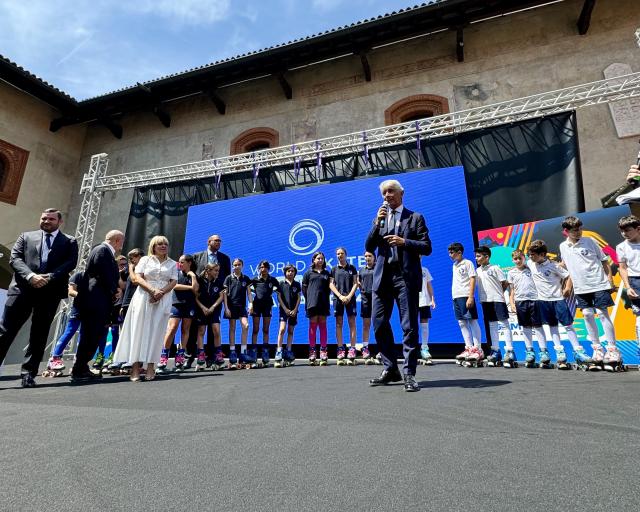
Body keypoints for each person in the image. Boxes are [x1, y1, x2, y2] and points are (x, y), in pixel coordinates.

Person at [365, 179, 432, 392]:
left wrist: (405, 242)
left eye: (391, 192)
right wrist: (377, 223)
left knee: (409, 325)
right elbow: (369, 245)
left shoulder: (415, 218)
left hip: (405, 278)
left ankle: (409, 373)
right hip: (383, 278)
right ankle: (390, 368)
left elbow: (427, 247)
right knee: (379, 322)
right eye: (384, 193)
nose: (387, 196)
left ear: (401, 193)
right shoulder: (380, 218)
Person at [0, 209, 78, 387]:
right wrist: (31, 276)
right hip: (22, 290)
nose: (47, 221)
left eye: (51, 219)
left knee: (39, 334)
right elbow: (15, 259)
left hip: (49, 293)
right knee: (5, 331)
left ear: (59, 222)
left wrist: (49, 277)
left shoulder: (69, 241)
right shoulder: (26, 237)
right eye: (44, 218)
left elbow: (70, 263)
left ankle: (28, 374)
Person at [113, 236, 178, 382]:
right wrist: (152, 290)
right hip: (143, 297)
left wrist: (160, 293)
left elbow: (174, 281)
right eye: (159, 244)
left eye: (165, 244)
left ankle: (151, 367)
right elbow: (137, 278)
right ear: (153, 246)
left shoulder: (173, 263)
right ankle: (135, 367)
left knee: (157, 333)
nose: (163, 246)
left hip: (163, 299)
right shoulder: (144, 260)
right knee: (139, 331)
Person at [559, 216, 620, 370]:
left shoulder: (590, 241)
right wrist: (567, 286)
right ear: (566, 231)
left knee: (602, 314)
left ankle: (612, 350)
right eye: (574, 230)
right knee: (587, 314)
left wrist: (610, 281)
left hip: (598, 283)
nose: (578, 232)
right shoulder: (563, 247)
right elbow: (568, 266)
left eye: (580, 228)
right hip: (580, 287)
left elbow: (605, 261)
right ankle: (597, 349)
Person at [527, 239, 591, 369]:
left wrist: (567, 289)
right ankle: (559, 352)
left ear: (542, 254)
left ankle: (578, 351)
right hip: (543, 301)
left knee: (568, 325)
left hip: (558, 300)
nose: (530, 256)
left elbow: (568, 276)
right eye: (530, 254)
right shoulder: (530, 263)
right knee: (552, 326)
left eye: (533, 254)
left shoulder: (554, 266)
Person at [71, 230, 124, 382]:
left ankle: (81, 367)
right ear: (117, 240)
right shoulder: (102, 250)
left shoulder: (103, 250)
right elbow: (104, 273)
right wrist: (114, 290)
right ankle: (79, 369)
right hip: (96, 300)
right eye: (121, 241)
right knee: (91, 334)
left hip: (99, 299)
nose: (121, 245)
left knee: (93, 334)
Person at [190, 234, 231, 367]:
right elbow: (192, 276)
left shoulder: (225, 258)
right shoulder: (197, 257)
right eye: (216, 240)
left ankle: (213, 357)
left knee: (214, 330)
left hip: (216, 299)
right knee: (196, 329)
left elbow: (227, 279)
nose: (219, 242)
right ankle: (190, 357)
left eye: (220, 240)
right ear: (209, 242)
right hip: (200, 300)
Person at [474, 246, 516, 368]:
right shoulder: (478, 271)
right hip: (485, 301)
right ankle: (496, 350)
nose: (477, 258)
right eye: (476, 256)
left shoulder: (495, 268)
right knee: (492, 325)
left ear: (486, 257)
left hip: (498, 300)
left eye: (479, 256)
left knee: (505, 324)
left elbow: (504, 282)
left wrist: (499, 294)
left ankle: (509, 351)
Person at [507, 250, 549, 368]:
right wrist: (512, 303)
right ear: (512, 260)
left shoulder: (531, 268)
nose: (518, 261)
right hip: (520, 302)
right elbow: (512, 290)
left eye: (520, 258)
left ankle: (543, 351)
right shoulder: (511, 273)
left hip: (535, 300)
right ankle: (529, 351)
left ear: (524, 258)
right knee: (525, 327)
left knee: (538, 326)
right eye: (515, 259)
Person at [158, 254, 199, 373]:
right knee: (172, 328)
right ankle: (163, 358)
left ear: (189, 263)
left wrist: (193, 276)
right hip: (176, 304)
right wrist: (190, 288)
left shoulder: (193, 275)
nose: (179, 264)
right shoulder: (175, 273)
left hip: (189, 305)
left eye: (182, 262)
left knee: (185, 330)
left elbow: (196, 288)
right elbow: (174, 286)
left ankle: (180, 359)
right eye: (179, 262)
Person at [106, 248, 143, 374]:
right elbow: (123, 286)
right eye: (130, 257)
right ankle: (121, 358)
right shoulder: (127, 270)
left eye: (134, 257)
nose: (131, 260)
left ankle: (134, 360)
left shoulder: (143, 268)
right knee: (125, 332)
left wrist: (132, 269)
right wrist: (120, 274)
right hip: (126, 302)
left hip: (138, 301)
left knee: (136, 331)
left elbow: (135, 280)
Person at [43, 269, 83, 377]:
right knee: (69, 331)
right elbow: (71, 291)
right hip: (78, 309)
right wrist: (84, 295)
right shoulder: (79, 275)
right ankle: (55, 358)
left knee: (83, 334)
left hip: (90, 310)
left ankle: (78, 361)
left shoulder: (96, 278)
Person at [448, 242, 482, 366]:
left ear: (459, 252)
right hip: (456, 297)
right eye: (449, 252)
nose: (450, 255)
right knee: (462, 322)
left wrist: (471, 296)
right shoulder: (455, 265)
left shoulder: (468, 263)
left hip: (465, 295)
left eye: (452, 252)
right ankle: (468, 348)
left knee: (472, 320)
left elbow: (473, 278)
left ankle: (477, 349)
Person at [616, 214, 640, 371]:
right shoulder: (621, 247)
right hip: (635, 282)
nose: (624, 233)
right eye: (622, 231)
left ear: (638, 229)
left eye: (628, 230)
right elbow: (622, 268)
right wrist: (627, 286)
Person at [329, 247, 359, 365]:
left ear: (346, 255)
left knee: (352, 323)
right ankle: (340, 349)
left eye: (341, 253)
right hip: (338, 299)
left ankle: (352, 349)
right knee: (339, 323)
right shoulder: (334, 269)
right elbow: (331, 285)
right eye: (338, 254)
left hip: (350, 299)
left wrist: (349, 296)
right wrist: (340, 296)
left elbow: (355, 283)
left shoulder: (352, 268)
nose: (339, 255)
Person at [195, 263, 226, 370]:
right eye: (215, 270)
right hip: (202, 309)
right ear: (208, 270)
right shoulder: (199, 281)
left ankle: (218, 356)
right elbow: (196, 297)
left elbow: (221, 297)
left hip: (214, 309)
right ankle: (201, 357)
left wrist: (212, 307)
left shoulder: (219, 281)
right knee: (201, 331)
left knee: (216, 330)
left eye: (218, 270)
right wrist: (203, 308)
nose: (217, 273)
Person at [302, 251, 331, 366]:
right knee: (313, 326)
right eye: (318, 258)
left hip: (323, 303)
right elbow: (304, 289)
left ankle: (323, 351)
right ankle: (312, 351)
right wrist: (310, 299)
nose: (320, 260)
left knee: (323, 325)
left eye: (322, 258)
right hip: (312, 304)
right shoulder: (308, 273)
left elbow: (328, 289)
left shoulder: (326, 273)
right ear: (313, 260)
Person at [249, 260, 279, 368]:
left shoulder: (273, 280)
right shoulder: (255, 280)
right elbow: (248, 290)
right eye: (261, 267)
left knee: (266, 330)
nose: (263, 269)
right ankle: (253, 354)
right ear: (259, 269)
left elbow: (279, 291)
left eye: (265, 267)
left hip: (267, 306)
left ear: (268, 269)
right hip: (256, 306)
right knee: (255, 330)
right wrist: (250, 304)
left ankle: (265, 354)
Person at [223, 258, 252, 368]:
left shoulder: (246, 279)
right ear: (232, 266)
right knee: (232, 328)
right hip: (231, 307)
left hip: (242, 308)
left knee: (246, 326)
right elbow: (225, 294)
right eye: (235, 265)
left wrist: (251, 304)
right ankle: (232, 353)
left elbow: (249, 293)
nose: (237, 266)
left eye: (239, 264)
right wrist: (226, 308)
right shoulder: (228, 278)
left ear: (242, 266)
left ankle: (243, 353)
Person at [275, 264, 300, 368]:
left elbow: (299, 298)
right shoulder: (281, 283)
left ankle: (288, 351)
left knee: (290, 331)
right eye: (288, 271)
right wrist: (285, 309)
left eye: (292, 271)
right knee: (282, 329)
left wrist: (294, 310)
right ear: (285, 272)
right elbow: (279, 297)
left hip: (293, 312)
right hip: (283, 311)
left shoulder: (297, 284)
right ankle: (279, 351)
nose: (290, 273)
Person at [357, 251, 375, 364]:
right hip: (365, 300)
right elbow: (359, 283)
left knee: (380, 325)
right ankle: (365, 348)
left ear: (374, 258)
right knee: (366, 325)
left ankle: (382, 350)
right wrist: (363, 290)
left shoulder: (378, 268)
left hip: (377, 300)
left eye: (370, 256)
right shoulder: (361, 270)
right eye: (366, 256)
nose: (367, 258)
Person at [417, 265, 435, 365]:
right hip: (411, 301)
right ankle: (412, 350)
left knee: (424, 323)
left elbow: (428, 285)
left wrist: (432, 299)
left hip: (424, 300)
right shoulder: (406, 267)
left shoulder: (425, 270)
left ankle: (424, 348)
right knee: (411, 326)